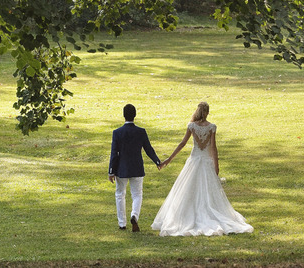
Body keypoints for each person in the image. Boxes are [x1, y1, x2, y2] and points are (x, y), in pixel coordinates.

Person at [150, 101, 253, 236]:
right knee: (207, 191)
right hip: (205, 162)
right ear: (208, 112)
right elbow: (213, 147)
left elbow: (182, 144)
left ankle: (185, 215)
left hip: (193, 161)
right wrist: (216, 165)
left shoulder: (192, 126)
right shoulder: (212, 127)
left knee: (187, 190)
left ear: (197, 111)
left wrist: (169, 160)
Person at [108, 103, 162, 232]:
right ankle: (134, 215)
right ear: (135, 115)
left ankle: (122, 223)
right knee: (137, 194)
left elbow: (114, 153)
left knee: (120, 194)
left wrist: (111, 171)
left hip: (121, 168)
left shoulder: (117, 133)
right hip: (137, 167)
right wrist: (157, 161)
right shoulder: (141, 132)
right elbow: (148, 149)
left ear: (123, 115)